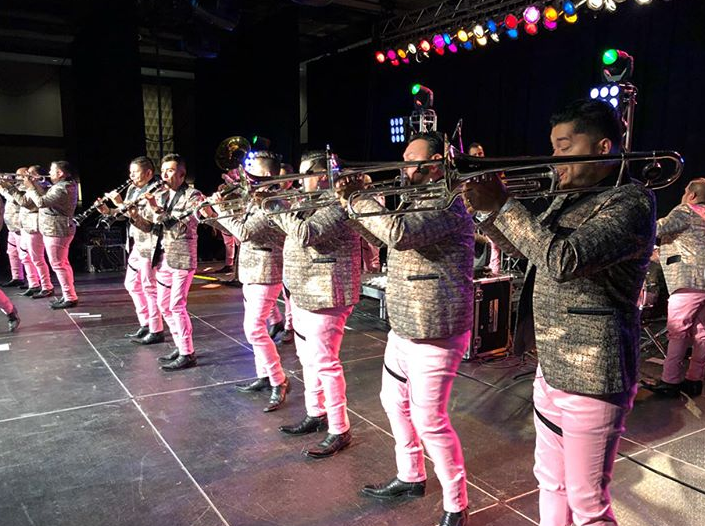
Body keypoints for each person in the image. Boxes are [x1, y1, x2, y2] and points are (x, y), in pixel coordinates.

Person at [462, 99, 656, 526]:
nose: (554, 158)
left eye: (565, 147)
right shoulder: (567, 198)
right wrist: (488, 211)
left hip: (593, 373)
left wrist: (504, 206)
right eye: (553, 147)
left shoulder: (631, 202)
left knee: (588, 503)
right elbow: (526, 250)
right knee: (549, 481)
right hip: (550, 365)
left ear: (603, 147)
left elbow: (564, 260)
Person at [337, 132, 475, 526]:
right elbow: (382, 238)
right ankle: (411, 474)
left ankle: (456, 504)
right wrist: (353, 206)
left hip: (435, 326)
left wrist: (359, 198)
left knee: (430, 419)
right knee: (392, 401)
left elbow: (400, 234)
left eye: (412, 159)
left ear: (436, 164)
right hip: (403, 323)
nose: (403, 165)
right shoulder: (416, 198)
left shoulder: (448, 200)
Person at [272, 150, 361, 458]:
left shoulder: (338, 204)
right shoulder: (305, 201)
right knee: (307, 358)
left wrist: (274, 205)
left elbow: (306, 233)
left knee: (325, 362)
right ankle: (316, 412)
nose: (299, 180)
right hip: (301, 291)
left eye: (306, 173)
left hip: (327, 292)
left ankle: (339, 428)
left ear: (324, 176)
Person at [213, 151, 289, 411]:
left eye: (250, 170)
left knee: (254, 329)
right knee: (256, 328)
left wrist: (222, 210)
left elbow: (245, 232)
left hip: (266, 271)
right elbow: (235, 231)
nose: (244, 175)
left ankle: (279, 379)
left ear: (266, 174)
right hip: (251, 271)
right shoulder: (256, 199)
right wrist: (214, 213)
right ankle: (264, 375)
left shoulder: (274, 202)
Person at [126, 154, 202, 370]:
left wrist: (155, 208)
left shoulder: (193, 196)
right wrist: (134, 215)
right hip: (162, 257)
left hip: (182, 258)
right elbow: (150, 226)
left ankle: (188, 353)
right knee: (163, 305)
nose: (165, 175)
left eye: (170, 170)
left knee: (176, 305)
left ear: (182, 174)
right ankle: (181, 346)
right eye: (164, 170)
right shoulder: (161, 195)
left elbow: (179, 224)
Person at [646, 178, 705, 397]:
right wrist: (660, 254)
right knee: (701, 333)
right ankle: (694, 380)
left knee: (678, 332)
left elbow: (656, 228)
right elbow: (693, 246)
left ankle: (670, 381)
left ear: (692, 195)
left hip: (688, 282)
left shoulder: (686, 210)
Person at [98, 156, 165, 345]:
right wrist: (109, 211)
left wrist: (121, 204)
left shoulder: (157, 191)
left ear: (148, 173)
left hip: (150, 243)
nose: (131, 176)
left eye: (135, 172)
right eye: (130, 172)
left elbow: (146, 219)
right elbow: (126, 214)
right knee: (132, 284)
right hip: (136, 242)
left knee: (149, 287)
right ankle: (145, 322)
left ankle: (156, 329)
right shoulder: (132, 189)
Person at [23, 161, 80, 309]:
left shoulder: (63, 187)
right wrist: (35, 185)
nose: (49, 173)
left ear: (60, 173)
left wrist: (30, 188)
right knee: (61, 264)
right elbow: (45, 197)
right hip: (55, 229)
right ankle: (68, 295)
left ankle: (70, 297)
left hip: (57, 230)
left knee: (59, 264)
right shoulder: (62, 185)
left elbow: (41, 202)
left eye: (52, 170)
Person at [0, 169, 26, 288]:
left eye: (19, 175)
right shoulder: (15, 187)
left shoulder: (26, 188)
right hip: (11, 226)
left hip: (20, 225)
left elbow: (13, 199)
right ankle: (17, 277)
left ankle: (34, 281)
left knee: (24, 254)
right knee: (12, 253)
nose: (16, 177)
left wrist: (6, 186)